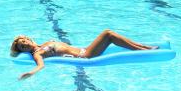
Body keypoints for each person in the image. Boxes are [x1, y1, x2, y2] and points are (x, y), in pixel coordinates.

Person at [10, 30, 157, 79]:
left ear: (29, 38)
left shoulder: (44, 43)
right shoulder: (38, 52)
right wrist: (30, 73)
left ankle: (142, 46)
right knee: (108, 34)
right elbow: (41, 65)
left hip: (84, 49)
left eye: (24, 41)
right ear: (24, 51)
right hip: (85, 55)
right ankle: (142, 49)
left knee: (109, 34)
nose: (24, 44)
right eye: (22, 46)